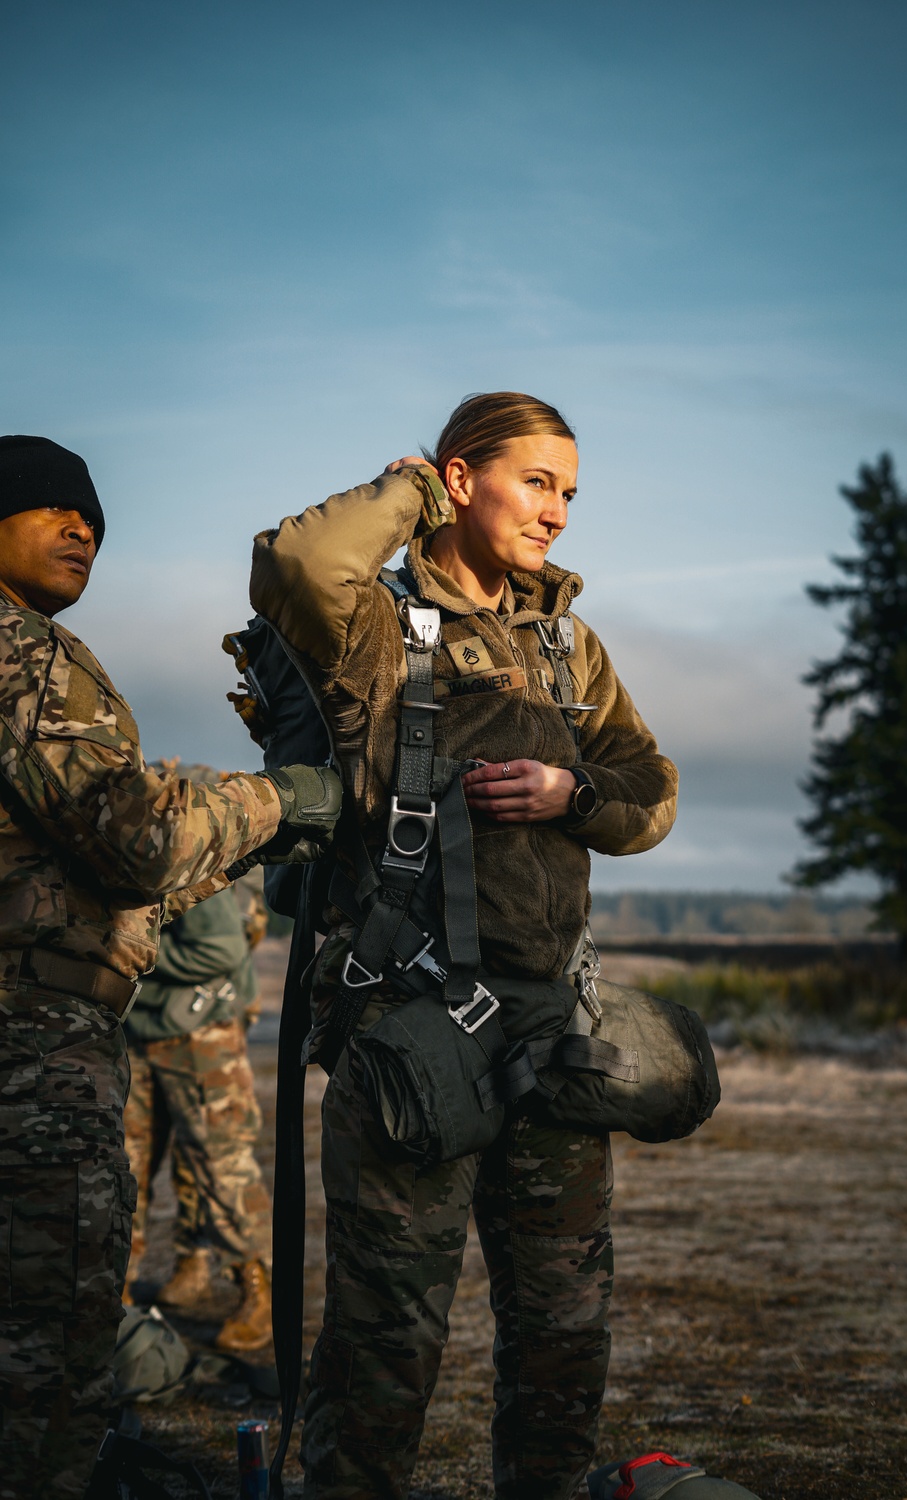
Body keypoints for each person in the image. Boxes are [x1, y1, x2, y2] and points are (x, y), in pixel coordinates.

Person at [247, 392, 678, 1500]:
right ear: (459, 479)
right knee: (385, 1352)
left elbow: (651, 793)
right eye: (536, 482)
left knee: (563, 1341)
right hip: (415, 1034)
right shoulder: (378, 631)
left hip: (552, 1034)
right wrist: (403, 493)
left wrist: (570, 789)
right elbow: (294, 566)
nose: (558, 514)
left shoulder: (567, 644)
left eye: (571, 491)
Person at [0, 434, 341, 1500]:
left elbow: (91, 880)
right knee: (44, 1356)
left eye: (94, 519)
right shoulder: (21, 653)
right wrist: (280, 801)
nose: (82, 528)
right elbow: (132, 839)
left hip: (49, 1030)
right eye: (49, 508)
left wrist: (247, 843)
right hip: (29, 1048)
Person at [122, 854, 274, 1353]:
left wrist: (122, 952)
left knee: (220, 1166)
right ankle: (117, 1292)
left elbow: (221, 949)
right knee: (122, 1169)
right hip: (137, 1032)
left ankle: (259, 1290)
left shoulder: (162, 851)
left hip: (200, 1034)